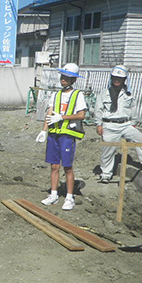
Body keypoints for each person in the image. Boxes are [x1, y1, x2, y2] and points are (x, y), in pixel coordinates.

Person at [35, 63, 87, 210]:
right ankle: (53, 194)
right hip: (54, 134)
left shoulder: (78, 95)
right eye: (62, 76)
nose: (63, 79)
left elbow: (81, 114)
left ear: (73, 80)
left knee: (68, 167)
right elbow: (49, 113)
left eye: (67, 77)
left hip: (67, 134)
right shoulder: (56, 94)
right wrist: (44, 130)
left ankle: (70, 197)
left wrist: (62, 117)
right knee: (54, 166)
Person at [94, 65, 142, 182]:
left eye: (120, 78)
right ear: (111, 78)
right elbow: (98, 110)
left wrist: (133, 124)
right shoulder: (104, 94)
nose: (117, 80)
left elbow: (133, 110)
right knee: (108, 150)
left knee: (141, 139)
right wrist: (99, 124)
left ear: (124, 80)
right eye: (115, 77)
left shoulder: (128, 94)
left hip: (126, 124)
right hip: (109, 125)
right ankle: (106, 174)